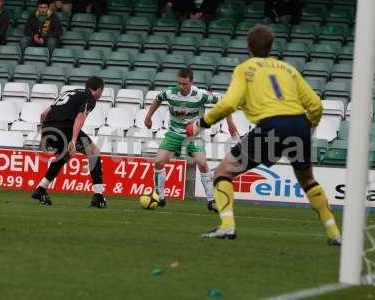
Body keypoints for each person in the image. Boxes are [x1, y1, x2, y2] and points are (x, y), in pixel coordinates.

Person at [186, 25, 342, 245]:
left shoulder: (244, 69)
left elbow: (229, 103)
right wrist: (309, 126)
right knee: (307, 180)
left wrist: (200, 123)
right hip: (299, 125)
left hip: (271, 126)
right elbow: (315, 104)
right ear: (271, 47)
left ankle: (227, 226)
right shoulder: (287, 68)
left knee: (223, 172)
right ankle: (334, 232)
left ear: (248, 46)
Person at [144, 68, 239, 212]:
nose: (181, 87)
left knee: (202, 163)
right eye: (179, 84)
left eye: (185, 84)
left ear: (191, 83)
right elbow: (157, 100)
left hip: (194, 135)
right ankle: (159, 195)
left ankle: (212, 200)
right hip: (174, 133)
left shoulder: (200, 95)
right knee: (158, 162)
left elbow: (225, 102)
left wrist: (230, 123)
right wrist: (148, 117)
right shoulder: (170, 92)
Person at [32, 76, 107, 208]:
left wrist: (44, 135)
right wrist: (73, 139)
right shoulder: (90, 98)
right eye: (102, 91)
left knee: (64, 156)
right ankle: (98, 196)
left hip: (49, 129)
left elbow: (44, 114)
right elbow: (80, 117)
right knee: (94, 153)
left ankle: (41, 189)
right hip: (65, 128)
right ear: (99, 90)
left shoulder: (69, 93)